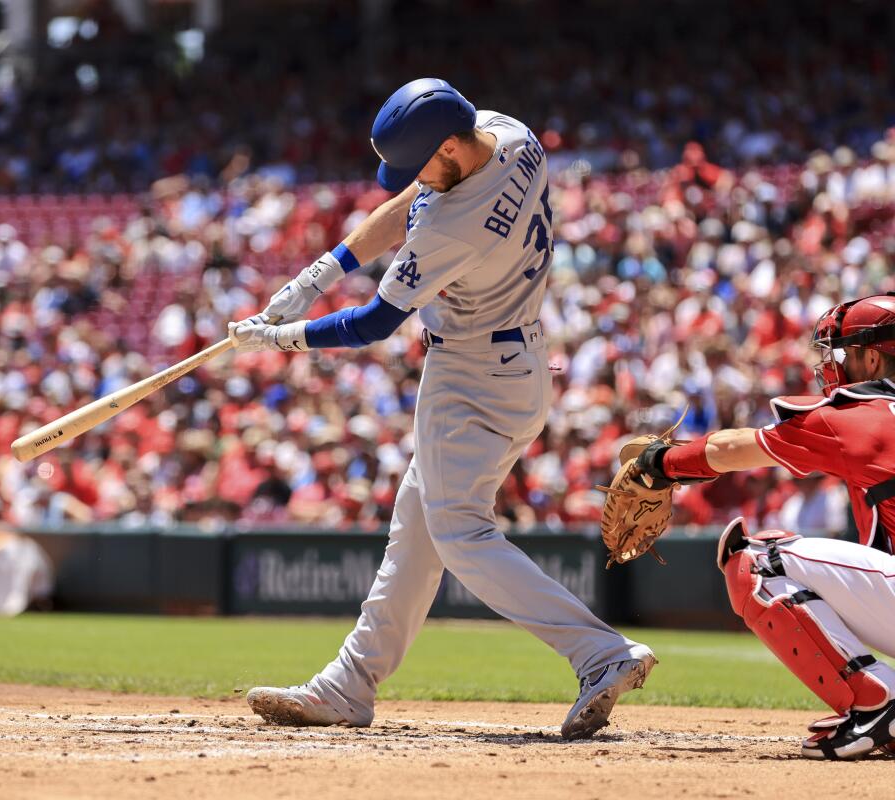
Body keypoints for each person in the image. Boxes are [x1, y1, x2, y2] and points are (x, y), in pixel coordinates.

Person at [228, 78, 655, 739]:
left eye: (426, 158)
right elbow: (408, 201)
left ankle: (600, 653)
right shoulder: (510, 133)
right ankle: (349, 683)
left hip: (471, 373)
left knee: (457, 533)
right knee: (419, 529)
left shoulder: (457, 227)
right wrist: (318, 275)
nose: (414, 174)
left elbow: (372, 325)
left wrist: (282, 337)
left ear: (451, 148)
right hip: (514, 363)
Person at [621, 294, 895, 760]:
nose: (834, 365)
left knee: (755, 559)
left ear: (872, 356)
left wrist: (660, 462)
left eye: (844, 354)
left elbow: (731, 450)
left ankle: (877, 701)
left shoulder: (866, 417)